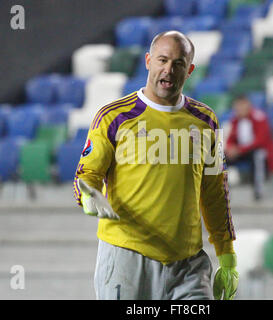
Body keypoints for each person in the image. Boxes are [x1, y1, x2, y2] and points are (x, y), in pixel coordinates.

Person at [73, 31, 238, 300]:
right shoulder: (114, 117)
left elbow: (215, 193)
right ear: (148, 61)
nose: (169, 70)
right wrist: (89, 195)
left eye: (178, 63)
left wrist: (227, 254)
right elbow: (88, 174)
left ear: (190, 70)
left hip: (188, 265)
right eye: (162, 60)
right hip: (127, 256)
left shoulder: (206, 121)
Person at [225, 95, 273, 200]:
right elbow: (231, 138)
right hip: (241, 151)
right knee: (220, 157)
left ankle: (258, 191)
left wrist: (239, 150)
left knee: (258, 156)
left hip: (259, 150)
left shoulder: (259, 117)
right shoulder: (235, 120)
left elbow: (260, 140)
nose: (239, 110)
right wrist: (230, 148)